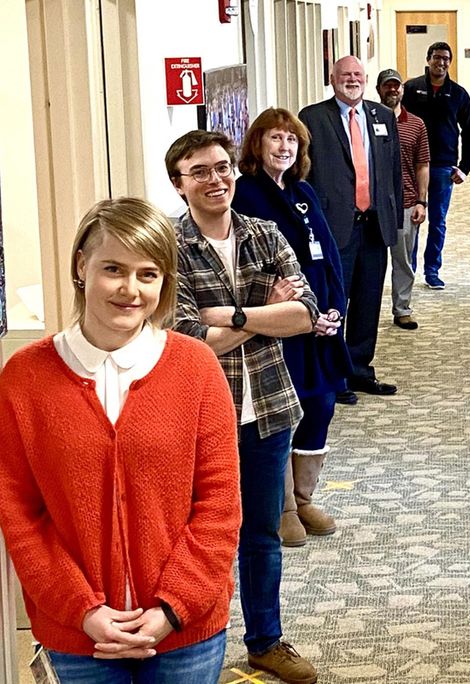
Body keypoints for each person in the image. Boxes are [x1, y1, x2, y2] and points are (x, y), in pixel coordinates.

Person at [0, 197, 240, 682]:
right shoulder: (24, 377)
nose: (131, 289)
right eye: (114, 269)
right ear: (82, 266)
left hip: (185, 628)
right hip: (79, 634)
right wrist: (83, 610)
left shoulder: (196, 367)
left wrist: (172, 607)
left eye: (148, 274)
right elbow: (19, 512)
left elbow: (220, 503)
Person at [167, 130, 319, 684]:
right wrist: (258, 312)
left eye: (223, 167)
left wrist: (226, 316)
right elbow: (185, 339)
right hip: (198, 417)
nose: (216, 179)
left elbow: (304, 314)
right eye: (199, 171)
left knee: (261, 533)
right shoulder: (168, 248)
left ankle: (265, 640)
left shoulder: (264, 234)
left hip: (268, 406)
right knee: (199, 536)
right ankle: (193, 643)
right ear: (179, 185)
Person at [233, 107, 352, 548]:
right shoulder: (245, 194)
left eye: (292, 141)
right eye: (276, 139)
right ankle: (280, 506)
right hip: (279, 325)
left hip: (319, 325)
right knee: (284, 410)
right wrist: (295, 311)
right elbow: (252, 267)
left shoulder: (304, 191)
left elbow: (330, 258)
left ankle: (303, 498)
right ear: (257, 145)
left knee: (321, 404)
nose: (284, 148)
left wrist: (334, 310)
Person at [300, 55, 403, 396]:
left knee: (368, 300)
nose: (352, 79)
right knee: (334, 302)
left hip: (375, 224)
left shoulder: (383, 116)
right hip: (333, 227)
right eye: (345, 74)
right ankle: (335, 376)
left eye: (358, 74)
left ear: (366, 78)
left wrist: (396, 219)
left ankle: (360, 369)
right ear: (332, 78)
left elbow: (392, 173)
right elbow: (304, 176)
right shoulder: (313, 118)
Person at [402, 40, 470, 290]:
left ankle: (432, 270)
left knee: (438, 221)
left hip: (443, 167)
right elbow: (398, 124)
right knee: (412, 219)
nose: (441, 62)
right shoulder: (411, 89)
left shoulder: (458, 94)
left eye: (446, 58)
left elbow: (469, 132)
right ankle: (408, 270)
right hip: (412, 166)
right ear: (428, 59)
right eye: (437, 57)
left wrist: (464, 167)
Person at [376, 68, 430, 330]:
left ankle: (402, 309)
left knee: (403, 261)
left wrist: (422, 201)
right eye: (388, 86)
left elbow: (422, 165)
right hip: (373, 205)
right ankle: (366, 311)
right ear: (378, 90)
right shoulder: (366, 120)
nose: (393, 90)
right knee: (371, 264)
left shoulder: (416, 124)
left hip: (407, 203)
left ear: (403, 90)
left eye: (396, 86)